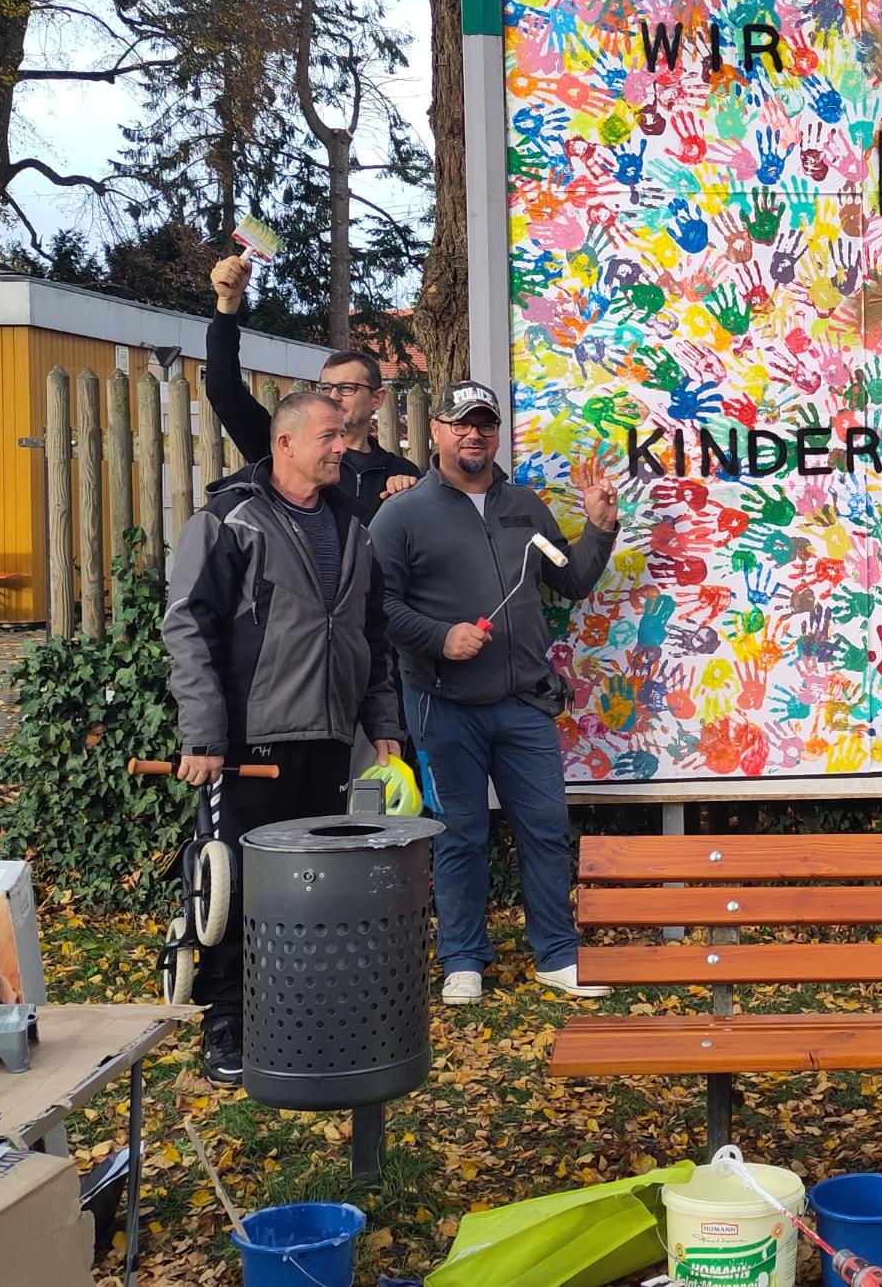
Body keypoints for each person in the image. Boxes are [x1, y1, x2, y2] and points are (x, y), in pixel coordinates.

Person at [163, 391, 404, 1084]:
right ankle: (227, 1020)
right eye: (330, 436)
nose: (343, 447)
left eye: (345, 436)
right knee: (235, 883)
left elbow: (373, 635)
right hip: (246, 745)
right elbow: (188, 625)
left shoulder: (355, 526)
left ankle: (295, 1008)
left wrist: (381, 726)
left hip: (328, 738)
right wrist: (203, 733)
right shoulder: (229, 519)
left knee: (308, 886)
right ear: (287, 443)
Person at [370, 381, 618, 1006]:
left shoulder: (524, 506)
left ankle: (557, 954)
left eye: (484, 423)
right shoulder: (402, 514)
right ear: (437, 431)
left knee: (543, 827)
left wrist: (598, 529)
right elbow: (378, 607)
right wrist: (438, 637)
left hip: (525, 704)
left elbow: (572, 582)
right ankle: (462, 959)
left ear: (496, 432)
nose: (473, 434)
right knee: (459, 834)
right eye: (460, 423)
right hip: (441, 703)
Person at [206, 253, 421, 505]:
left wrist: (405, 496)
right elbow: (224, 392)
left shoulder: (401, 473)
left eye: (347, 388)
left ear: (377, 398)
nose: (333, 396)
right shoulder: (289, 450)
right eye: (326, 387)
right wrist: (227, 307)